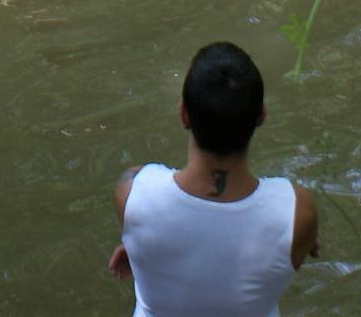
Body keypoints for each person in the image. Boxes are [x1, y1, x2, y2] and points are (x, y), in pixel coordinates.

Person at [108, 42, 321, 317]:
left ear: (184, 114)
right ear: (261, 116)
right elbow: (291, 255)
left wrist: (140, 251)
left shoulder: (133, 191)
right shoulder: (296, 211)